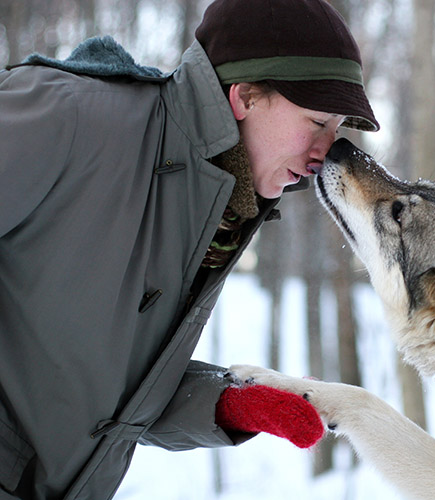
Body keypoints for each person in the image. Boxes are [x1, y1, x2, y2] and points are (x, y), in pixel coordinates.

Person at [0, 0, 379, 497]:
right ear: (244, 96)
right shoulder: (72, 115)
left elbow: (101, 388)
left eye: (337, 129)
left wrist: (227, 404)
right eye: (317, 122)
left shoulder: (222, 206)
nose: (327, 150)